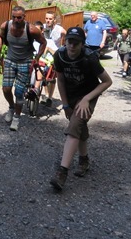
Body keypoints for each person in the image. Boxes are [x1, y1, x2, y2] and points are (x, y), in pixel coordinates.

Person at [50, 27, 112, 191]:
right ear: (66, 41)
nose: (72, 46)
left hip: (88, 96)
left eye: (76, 43)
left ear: (82, 45)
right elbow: (60, 80)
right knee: (79, 126)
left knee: (75, 125)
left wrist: (86, 99)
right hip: (71, 95)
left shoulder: (89, 58)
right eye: (70, 41)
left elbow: (107, 81)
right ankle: (84, 160)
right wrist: (64, 104)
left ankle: (62, 173)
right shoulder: (60, 56)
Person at [0, 6, 47, 131]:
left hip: (25, 62)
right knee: (6, 89)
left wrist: (37, 57)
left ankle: (17, 118)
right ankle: (11, 108)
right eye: (14, 17)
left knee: (19, 92)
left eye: (19, 17)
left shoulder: (32, 30)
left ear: (24, 17)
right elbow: (1, 37)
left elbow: (43, 42)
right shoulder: (5, 26)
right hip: (9, 60)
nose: (16, 20)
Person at [42, 11, 66, 106]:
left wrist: (63, 45)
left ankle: (50, 97)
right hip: (44, 54)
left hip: (54, 55)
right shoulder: (43, 28)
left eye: (50, 19)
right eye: (46, 18)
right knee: (43, 74)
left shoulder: (59, 29)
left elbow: (66, 34)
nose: (48, 21)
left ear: (54, 20)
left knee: (51, 76)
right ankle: (46, 93)